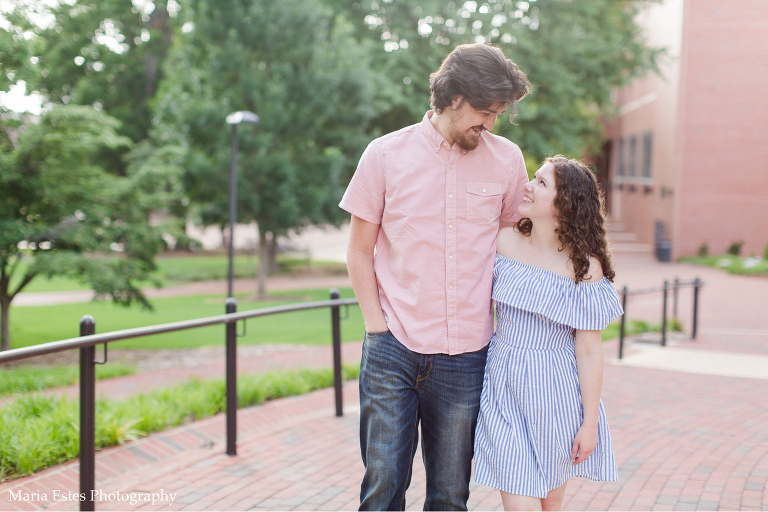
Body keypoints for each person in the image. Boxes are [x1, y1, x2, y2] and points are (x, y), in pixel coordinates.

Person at [339, 43, 531, 511]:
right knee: (383, 485)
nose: (490, 123)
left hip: (466, 355)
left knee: (450, 494)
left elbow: (515, 249)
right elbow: (359, 251)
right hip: (393, 348)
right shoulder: (384, 155)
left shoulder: (507, 160)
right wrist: (376, 328)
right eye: (486, 111)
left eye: (499, 113)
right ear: (453, 98)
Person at [472, 156, 623, 511]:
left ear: (564, 203)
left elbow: (588, 350)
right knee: (519, 501)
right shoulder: (503, 242)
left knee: (550, 502)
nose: (527, 184)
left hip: (556, 392)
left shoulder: (585, 267)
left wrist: (590, 424)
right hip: (503, 386)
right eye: (533, 178)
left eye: (541, 183)